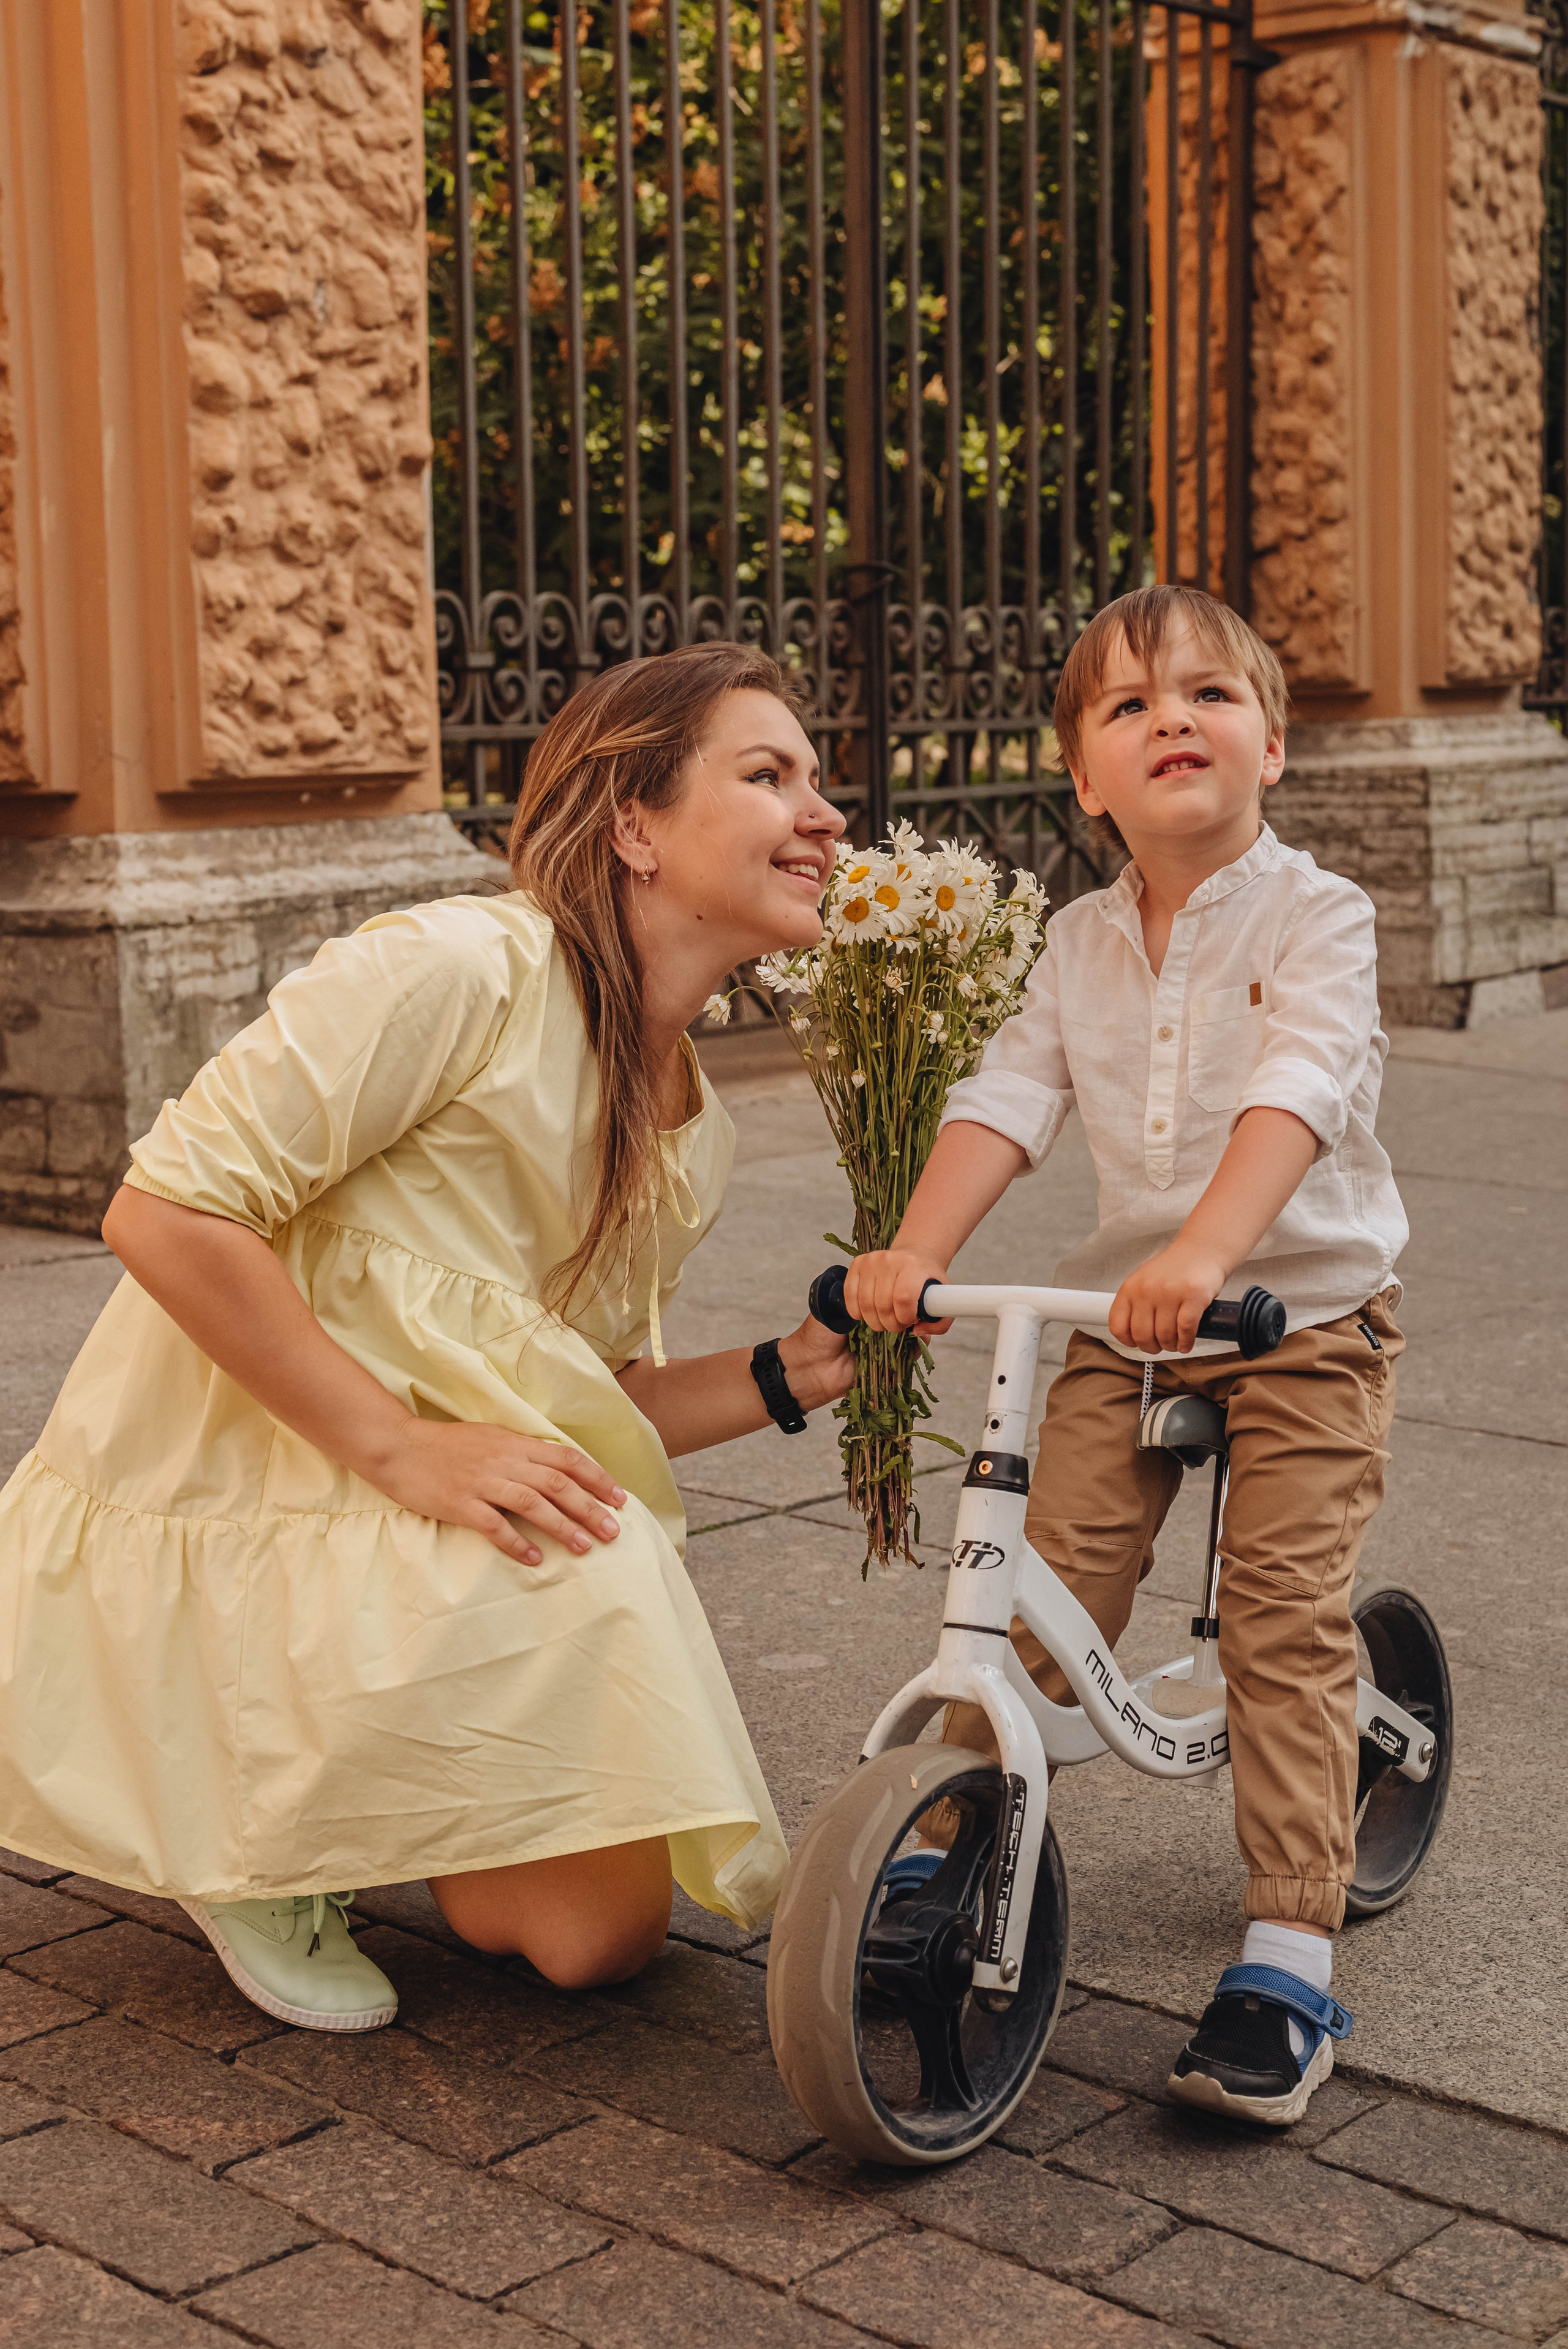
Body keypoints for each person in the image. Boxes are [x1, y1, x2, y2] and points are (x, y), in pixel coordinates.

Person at [0, 642, 853, 2031]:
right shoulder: (462, 968)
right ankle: (241, 1807)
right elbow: (164, 1214)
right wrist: (398, 1447)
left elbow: (592, 1388)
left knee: (598, 1943)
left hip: (421, 1501)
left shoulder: (693, 1127)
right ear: (632, 822)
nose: (822, 813)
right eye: (768, 775)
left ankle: (352, 1783)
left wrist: (788, 1375)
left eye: (817, 779)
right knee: (603, 1591)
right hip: (264, 1480)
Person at [847, 584, 1408, 2125]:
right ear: (1085, 778)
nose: (1172, 717)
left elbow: (1296, 1082)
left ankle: (1289, 1948)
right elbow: (1004, 1101)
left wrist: (1208, 1252)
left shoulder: (1319, 915)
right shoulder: (1072, 943)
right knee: (1054, 1562)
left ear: (1270, 749)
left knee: (1278, 1619)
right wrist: (917, 1249)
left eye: (1208, 695)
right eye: (1127, 705)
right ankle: (954, 1828)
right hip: (1126, 1324)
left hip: (1297, 1320)